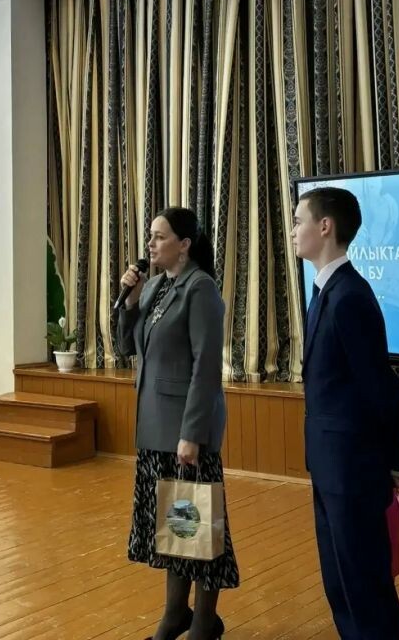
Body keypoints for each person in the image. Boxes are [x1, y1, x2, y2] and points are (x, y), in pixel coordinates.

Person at [292, 187, 399, 639]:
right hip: (330, 466)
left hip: (353, 468)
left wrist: (397, 458)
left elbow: (379, 389)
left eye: (299, 221)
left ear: (325, 227)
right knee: (341, 585)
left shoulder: (350, 296)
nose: (293, 230)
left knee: (365, 587)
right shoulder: (325, 291)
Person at [118, 207, 238, 640]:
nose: (150, 243)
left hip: (184, 432)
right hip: (154, 426)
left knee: (197, 526)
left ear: (184, 244)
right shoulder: (154, 287)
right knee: (176, 527)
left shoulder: (200, 287)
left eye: (160, 236)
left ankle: (203, 621)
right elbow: (127, 347)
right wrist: (130, 301)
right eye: (150, 236)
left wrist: (192, 433)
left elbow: (206, 367)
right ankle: (175, 615)